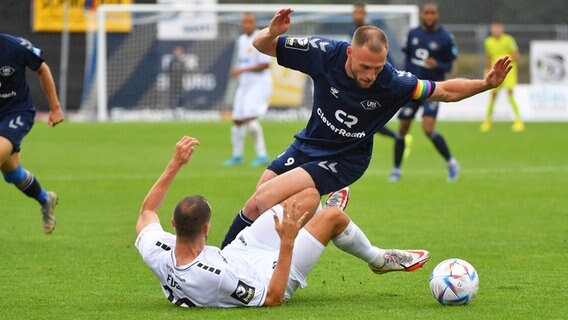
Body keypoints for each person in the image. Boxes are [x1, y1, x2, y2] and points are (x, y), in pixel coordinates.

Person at [220, 7, 512, 248]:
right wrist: (272, 32)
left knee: (266, 197)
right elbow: (261, 46)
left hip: (346, 159)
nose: (372, 74)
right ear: (349, 53)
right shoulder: (325, 52)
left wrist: (485, 84)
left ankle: (252, 260)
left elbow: (445, 90)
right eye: (365, 67)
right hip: (309, 143)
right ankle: (229, 255)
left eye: (378, 66)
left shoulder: (394, 81)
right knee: (256, 202)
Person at [135, 136, 430, 307]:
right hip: (269, 275)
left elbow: (147, 212)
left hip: (238, 253)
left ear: (173, 224)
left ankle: (313, 215)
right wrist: (288, 242)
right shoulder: (214, 277)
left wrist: (175, 164)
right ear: (207, 229)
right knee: (332, 218)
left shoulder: (158, 249)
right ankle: (378, 258)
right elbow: (272, 298)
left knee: (308, 197)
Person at [0, 33, 64, 233]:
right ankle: (46, 199)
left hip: (16, 113)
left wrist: (55, 107)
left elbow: (42, 67)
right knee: (12, 173)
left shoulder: (15, 46)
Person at [389, 2, 459, 183]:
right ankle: (396, 170)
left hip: (433, 89)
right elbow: (407, 57)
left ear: (437, 15)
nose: (429, 16)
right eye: (426, 13)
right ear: (422, 14)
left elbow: (452, 65)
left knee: (428, 128)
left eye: (432, 13)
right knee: (402, 128)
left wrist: (438, 65)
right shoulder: (413, 34)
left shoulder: (445, 37)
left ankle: (451, 162)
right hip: (412, 88)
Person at [348, 3, 407, 146]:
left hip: (376, 79)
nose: (358, 16)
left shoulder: (372, 33)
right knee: (363, 118)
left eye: (361, 13)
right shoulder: (353, 32)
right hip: (361, 80)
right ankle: (397, 137)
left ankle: (396, 137)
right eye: (356, 13)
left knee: (365, 117)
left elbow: (384, 58)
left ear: (365, 14)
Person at [224, 12, 273, 168]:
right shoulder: (241, 40)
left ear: (254, 23)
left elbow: (265, 65)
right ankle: (237, 156)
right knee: (237, 119)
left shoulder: (261, 38)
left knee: (250, 118)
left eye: (250, 22)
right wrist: (240, 71)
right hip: (244, 85)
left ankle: (262, 155)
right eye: (244, 22)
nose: (247, 25)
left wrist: (242, 70)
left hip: (259, 84)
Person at [481, 23, 524, 133]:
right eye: (494, 29)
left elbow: (516, 54)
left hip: (509, 70)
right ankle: (487, 121)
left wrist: (504, 59)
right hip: (494, 71)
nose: (496, 30)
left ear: (502, 30)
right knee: (493, 95)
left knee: (510, 93)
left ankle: (518, 121)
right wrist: (487, 71)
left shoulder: (509, 40)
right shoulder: (488, 42)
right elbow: (489, 57)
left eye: (498, 29)